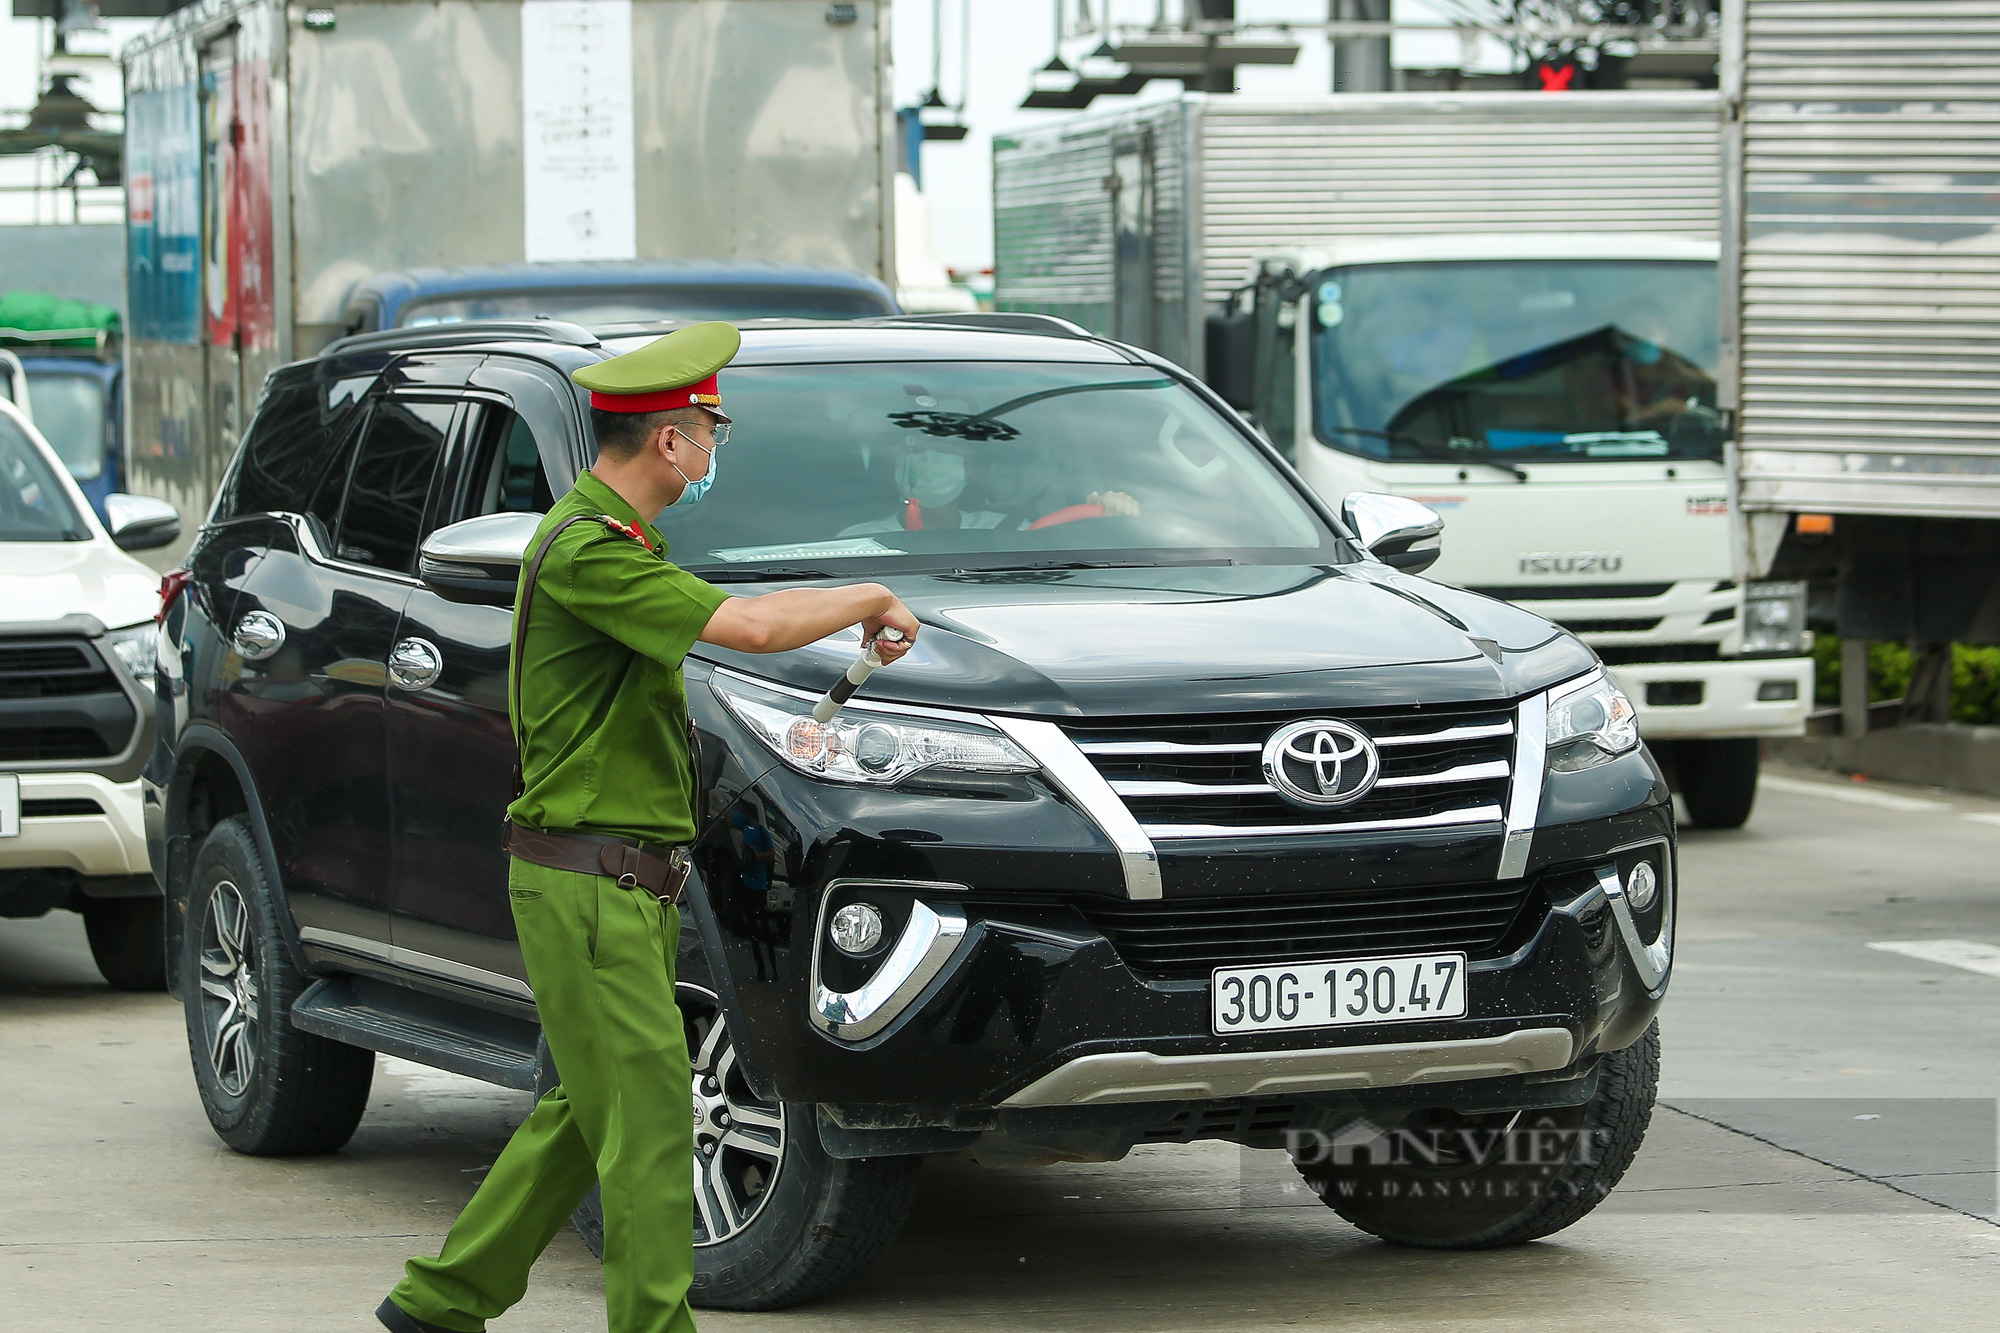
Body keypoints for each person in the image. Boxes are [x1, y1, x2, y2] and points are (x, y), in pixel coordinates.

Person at [376, 321, 917, 1333]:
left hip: (609, 881)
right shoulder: (589, 550)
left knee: (589, 1112)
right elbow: (749, 629)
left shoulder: (615, 548)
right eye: (711, 429)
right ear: (670, 441)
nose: (716, 449)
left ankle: (440, 1301)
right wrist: (870, 597)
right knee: (654, 1119)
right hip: (591, 883)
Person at [839, 435, 1139, 536]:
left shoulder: (1010, 531)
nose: (930, 462)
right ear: (895, 467)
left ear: (968, 467)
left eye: (945, 450)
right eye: (916, 451)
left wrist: (1110, 514)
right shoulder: (857, 543)